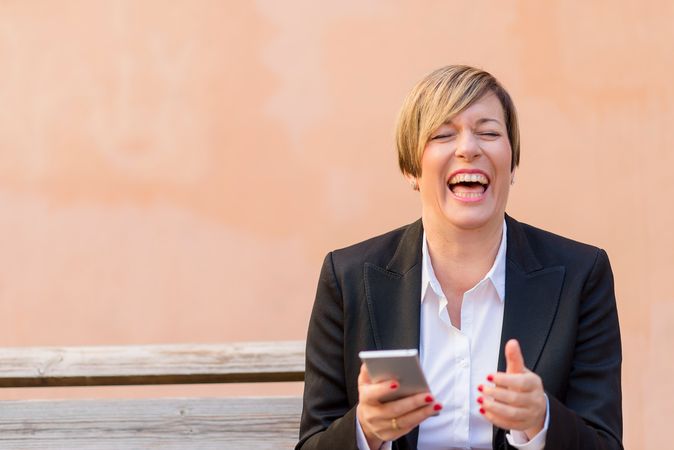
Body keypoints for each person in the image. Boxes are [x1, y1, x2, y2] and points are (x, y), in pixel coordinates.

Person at [296, 65, 622, 450]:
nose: (469, 148)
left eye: (488, 132)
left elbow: (605, 443)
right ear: (410, 167)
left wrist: (541, 422)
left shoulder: (581, 275)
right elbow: (314, 441)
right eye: (443, 134)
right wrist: (366, 430)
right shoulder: (349, 277)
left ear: (512, 163)